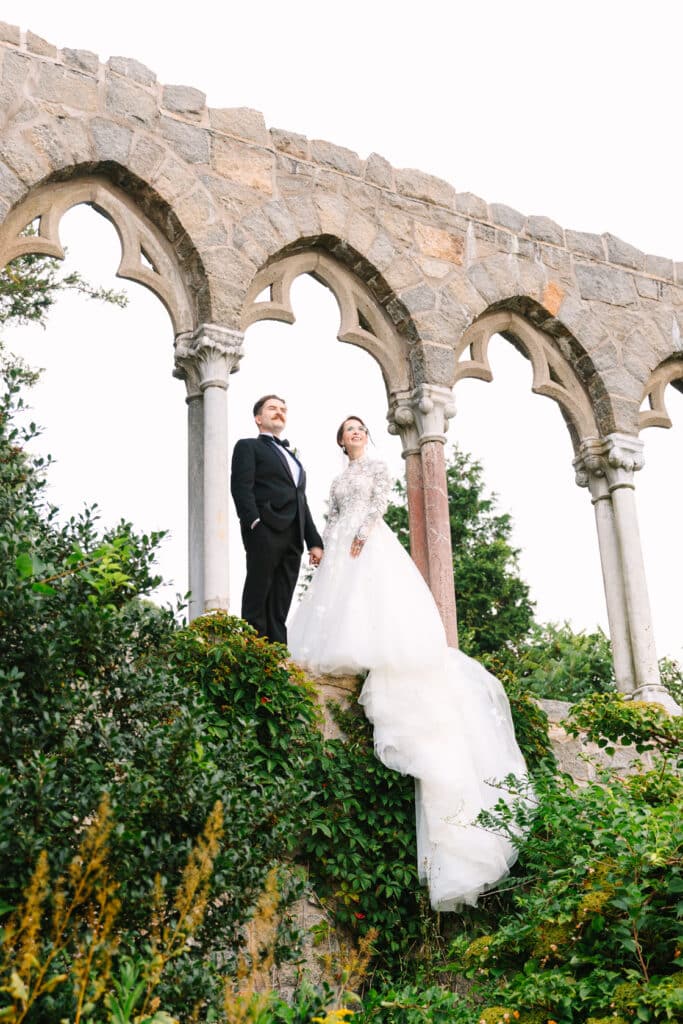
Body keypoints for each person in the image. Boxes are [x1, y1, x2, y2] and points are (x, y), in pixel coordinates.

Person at [288, 416, 531, 912]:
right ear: (340, 441)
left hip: (369, 540)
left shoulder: (376, 468)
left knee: (373, 601)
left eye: (361, 428)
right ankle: (336, 649)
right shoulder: (337, 479)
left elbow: (378, 502)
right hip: (339, 543)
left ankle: (368, 648)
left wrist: (360, 535)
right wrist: (329, 545)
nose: (356, 433)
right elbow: (332, 514)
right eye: (349, 430)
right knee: (335, 602)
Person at [231, 394, 324, 645]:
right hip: (265, 529)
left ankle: (278, 655)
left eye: (283, 409)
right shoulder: (247, 446)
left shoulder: (293, 457)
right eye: (272, 408)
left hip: (294, 535)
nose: (279, 412)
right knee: (258, 594)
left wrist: (314, 541)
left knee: (281, 600)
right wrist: (253, 523)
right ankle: (253, 652)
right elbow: (241, 487)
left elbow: (301, 500)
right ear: (258, 418)